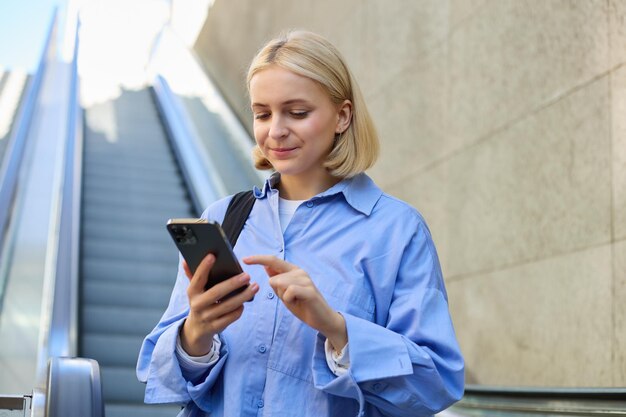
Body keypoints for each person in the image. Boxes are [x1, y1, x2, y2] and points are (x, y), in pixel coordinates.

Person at [137, 30, 464, 417]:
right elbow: (160, 377)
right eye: (262, 113)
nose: (275, 131)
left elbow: (437, 383)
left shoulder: (396, 230)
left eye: (297, 112)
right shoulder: (222, 218)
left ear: (342, 116)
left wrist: (336, 329)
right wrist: (195, 335)